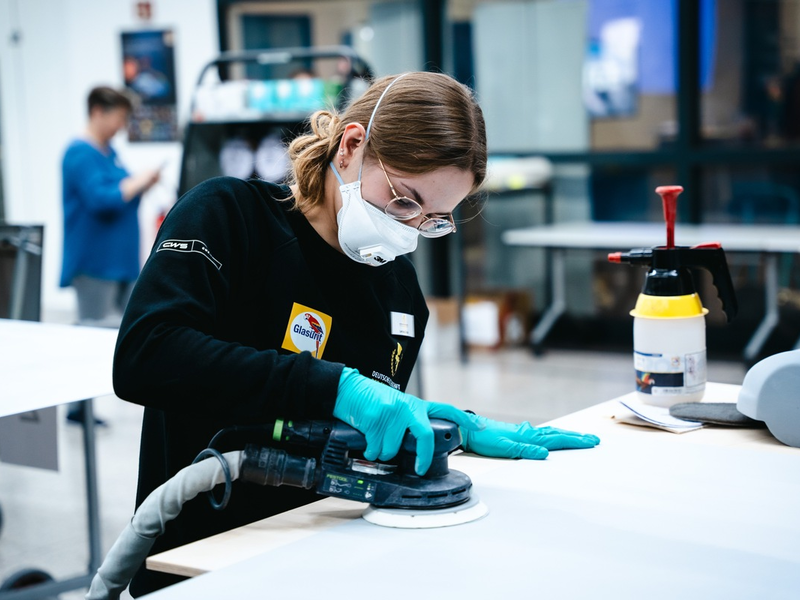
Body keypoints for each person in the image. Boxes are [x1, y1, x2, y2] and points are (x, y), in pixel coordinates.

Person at [112, 72, 600, 597]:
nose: (410, 230)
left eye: (434, 219)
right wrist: (336, 386)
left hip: (317, 561)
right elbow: (147, 354)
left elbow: (350, 438)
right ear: (351, 146)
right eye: (405, 201)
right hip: (196, 561)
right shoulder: (229, 216)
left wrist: (437, 430)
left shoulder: (399, 293)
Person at [60, 86, 160, 423]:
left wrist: (141, 183)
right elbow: (102, 199)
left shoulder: (108, 152)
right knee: (88, 336)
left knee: (131, 332)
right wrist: (138, 181)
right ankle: (79, 410)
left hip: (121, 263)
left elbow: (122, 193)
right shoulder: (79, 153)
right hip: (93, 264)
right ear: (98, 112)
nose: (121, 126)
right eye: (118, 118)